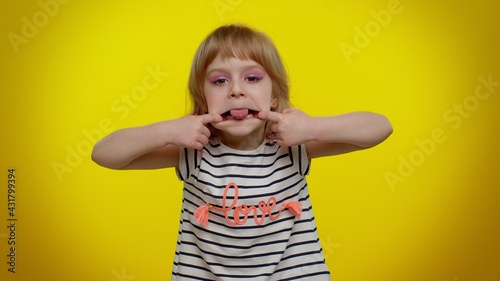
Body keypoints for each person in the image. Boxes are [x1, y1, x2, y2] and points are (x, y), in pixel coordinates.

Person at [92, 23, 392, 280]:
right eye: (220, 81)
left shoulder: (295, 144)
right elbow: (105, 155)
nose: (236, 91)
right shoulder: (193, 149)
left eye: (252, 78)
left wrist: (313, 128)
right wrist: (166, 131)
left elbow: (380, 127)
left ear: (274, 96)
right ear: (203, 97)